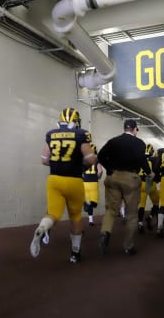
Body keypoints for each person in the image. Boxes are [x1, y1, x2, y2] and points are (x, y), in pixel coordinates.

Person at [31, 107, 96, 264]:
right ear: (76, 121)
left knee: (53, 213)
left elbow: (44, 160)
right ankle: (75, 252)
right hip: (74, 180)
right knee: (75, 217)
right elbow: (91, 159)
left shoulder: (51, 134)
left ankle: (42, 228)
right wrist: (77, 163)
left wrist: (58, 162)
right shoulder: (81, 135)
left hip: (54, 180)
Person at [97, 119, 151, 255]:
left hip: (113, 177)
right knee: (132, 214)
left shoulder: (113, 141)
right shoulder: (139, 143)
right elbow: (141, 160)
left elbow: (100, 156)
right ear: (134, 129)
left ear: (124, 128)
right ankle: (128, 246)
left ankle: (105, 233)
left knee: (110, 210)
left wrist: (109, 169)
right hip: (130, 179)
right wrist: (149, 173)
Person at [138, 143, 160, 233]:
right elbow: (157, 172)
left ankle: (140, 223)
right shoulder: (154, 159)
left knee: (141, 205)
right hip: (149, 182)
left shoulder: (139, 159)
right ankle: (150, 216)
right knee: (156, 203)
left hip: (140, 182)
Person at [82, 144, 104, 226]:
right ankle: (90, 219)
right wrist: (98, 177)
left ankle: (90, 220)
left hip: (85, 183)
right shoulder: (97, 160)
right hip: (93, 183)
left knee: (89, 203)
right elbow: (100, 171)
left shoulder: (84, 159)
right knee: (94, 203)